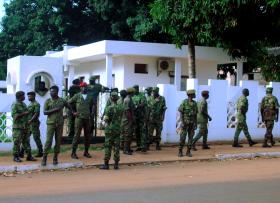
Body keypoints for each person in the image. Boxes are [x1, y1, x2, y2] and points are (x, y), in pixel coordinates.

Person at [41, 85, 70, 166]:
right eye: (50, 91)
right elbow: (45, 112)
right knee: (48, 141)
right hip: (51, 123)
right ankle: (44, 158)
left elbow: (69, 106)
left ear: (57, 92)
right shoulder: (47, 101)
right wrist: (55, 109)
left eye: (53, 91)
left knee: (58, 141)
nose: (51, 93)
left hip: (60, 123)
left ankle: (55, 158)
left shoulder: (62, 100)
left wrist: (71, 113)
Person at [68, 82, 92, 159]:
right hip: (79, 118)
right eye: (82, 87)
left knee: (87, 136)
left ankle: (86, 152)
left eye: (85, 87)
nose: (84, 88)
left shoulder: (90, 96)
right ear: (80, 88)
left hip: (87, 118)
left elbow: (94, 104)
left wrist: (92, 112)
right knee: (77, 135)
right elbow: (69, 103)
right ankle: (73, 153)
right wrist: (73, 112)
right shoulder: (77, 95)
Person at [100, 92, 123, 170]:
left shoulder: (108, 108)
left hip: (109, 129)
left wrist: (104, 124)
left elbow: (106, 119)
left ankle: (106, 164)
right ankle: (116, 164)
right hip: (117, 128)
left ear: (111, 98)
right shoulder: (121, 108)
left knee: (108, 146)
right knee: (116, 146)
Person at [11, 91, 36, 162]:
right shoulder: (15, 104)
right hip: (18, 127)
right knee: (17, 142)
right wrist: (24, 113)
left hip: (25, 126)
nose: (25, 97)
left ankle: (29, 156)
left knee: (26, 141)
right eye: (23, 96)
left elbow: (28, 113)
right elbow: (14, 116)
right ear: (20, 97)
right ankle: (15, 156)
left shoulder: (24, 104)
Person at [178, 89, 197, 157]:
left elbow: (195, 114)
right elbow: (181, 112)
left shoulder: (195, 103)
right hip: (185, 123)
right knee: (182, 138)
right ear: (190, 95)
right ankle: (180, 151)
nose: (195, 95)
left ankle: (188, 151)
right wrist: (182, 122)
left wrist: (195, 123)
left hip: (192, 124)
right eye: (194, 94)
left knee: (190, 138)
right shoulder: (184, 102)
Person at [27, 91, 43, 157]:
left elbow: (36, 114)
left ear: (34, 96)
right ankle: (22, 152)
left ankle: (40, 152)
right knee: (26, 137)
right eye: (28, 96)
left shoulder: (36, 104)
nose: (28, 97)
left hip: (34, 123)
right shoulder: (30, 104)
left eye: (30, 96)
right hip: (29, 123)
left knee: (36, 137)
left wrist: (31, 120)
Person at [132, 85, 148, 152]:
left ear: (137, 89)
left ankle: (143, 146)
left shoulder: (142, 95)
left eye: (135, 89)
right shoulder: (132, 96)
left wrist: (136, 106)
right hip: (135, 116)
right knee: (137, 131)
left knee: (143, 131)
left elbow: (143, 104)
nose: (134, 91)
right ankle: (139, 146)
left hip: (142, 116)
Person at [122, 87, 135, 155]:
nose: (134, 93)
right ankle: (125, 150)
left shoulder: (130, 99)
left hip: (129, 119)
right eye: (133, 92)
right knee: (127, 134)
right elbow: (127, 111)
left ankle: (128, 148)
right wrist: (131, 120)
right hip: (127, 120)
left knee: (130, 134)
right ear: (131, 93)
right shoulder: (127, 100)